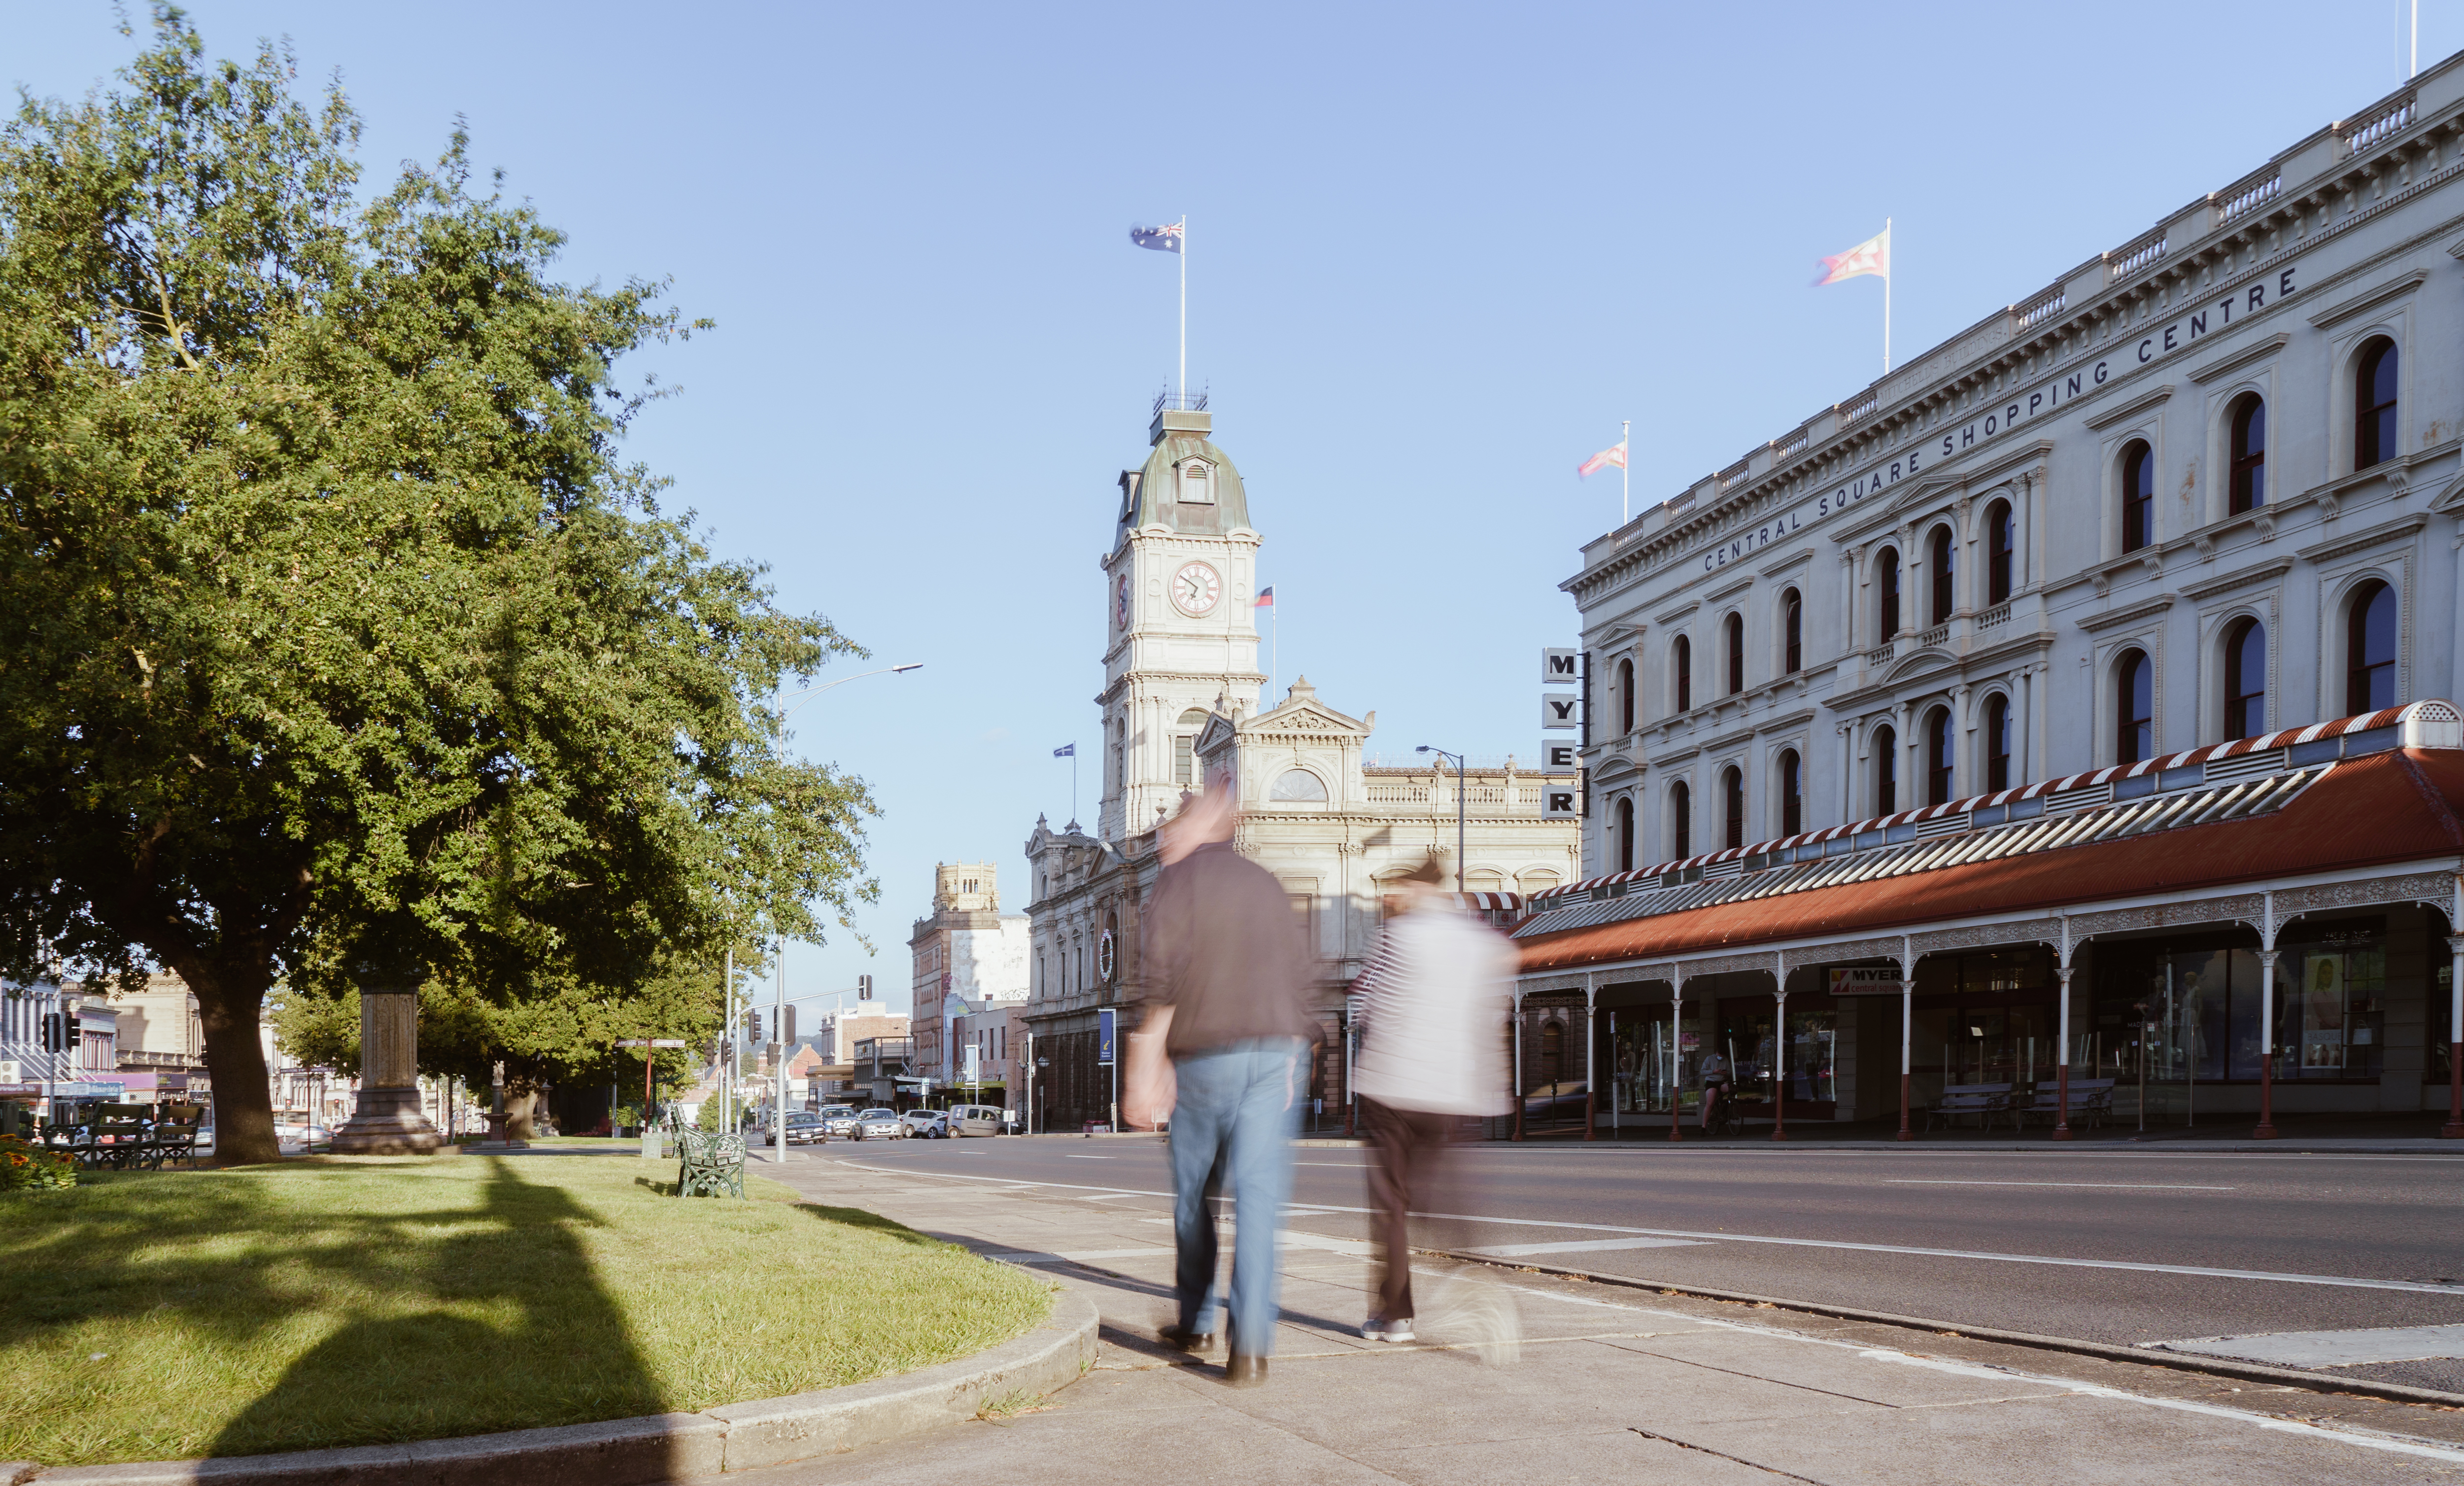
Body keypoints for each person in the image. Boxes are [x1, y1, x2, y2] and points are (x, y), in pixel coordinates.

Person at [1123, 782, 1318, 1387]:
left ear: (1188, 831)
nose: (1161, 842)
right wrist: (1294, 1053)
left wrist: (1144, 1068)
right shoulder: (1264, 882)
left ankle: (1198, 1319)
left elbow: (1161, 976)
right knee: (1259, 1201)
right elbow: (1296, 972)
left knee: (1193, 1197)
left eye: (1167, 832)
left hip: (1206, 1053)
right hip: (1276, 1050)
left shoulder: (1176, 883)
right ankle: (1252, 1348)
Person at [1350, 852, 1513, 1344]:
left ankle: (1394, 1315)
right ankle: (1478, 1282)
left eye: (1400, 887)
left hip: (1391, 1086)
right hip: (1450, 1093)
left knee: (1391, 1207)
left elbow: (1366, 1005)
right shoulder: (1482, 944)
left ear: (1419, 890)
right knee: (1438, 1202)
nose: (1392, 896)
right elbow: (1491, 1017)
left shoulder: (1397, 935)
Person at [1697, 1044, 1733, 1133]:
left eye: (1722, 1056)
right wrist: (1712, 1072)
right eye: (1719, 1056)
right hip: (1711, 1081)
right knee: (1710, 1103)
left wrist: (1725, 1073)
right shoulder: (1709, 1059)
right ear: (1717, 1053)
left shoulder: (1726, 1060)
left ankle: (1726, 1108)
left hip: (1721, 1081)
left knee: (1732, 1089)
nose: (1721, 1058)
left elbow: (1729, 1072)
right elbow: (1702, 1071)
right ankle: (1704, 1127)